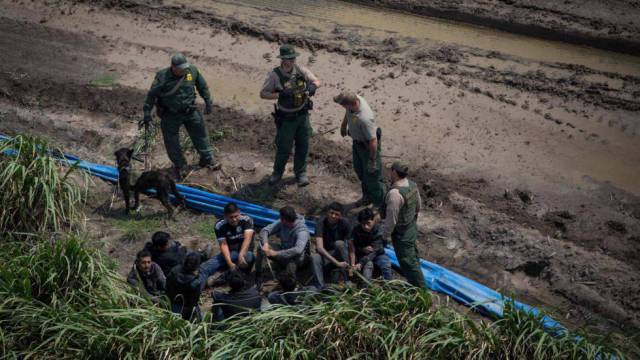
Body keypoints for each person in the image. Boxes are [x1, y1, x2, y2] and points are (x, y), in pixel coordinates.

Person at [142, 53, 218, 179]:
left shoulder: (192, 71)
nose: (184, 70)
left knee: (201, 134)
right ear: (173, 67)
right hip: (170, 115)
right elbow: (151, 96)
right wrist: (147, 114)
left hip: (190, 111)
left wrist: (208, 102)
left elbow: (202, 87)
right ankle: (181, 165)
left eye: (185, 67)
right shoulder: (162, 77)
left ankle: (207, 158)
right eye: (180, 68)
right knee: (172, 142)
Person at [260, 44, 321, 187]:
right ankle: (277, 173)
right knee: (284, 148)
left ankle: (301, 173)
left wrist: (313, 86)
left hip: (302, 116)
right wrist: (280, 94)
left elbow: (317, 81)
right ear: (282, 59)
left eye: (293, 58)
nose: (291, 61)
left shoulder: (301, 70)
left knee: (303, 145)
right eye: (289, 58)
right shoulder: (275, 75)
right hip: (286, 119)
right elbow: (263, 93)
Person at [335, 92, 384, 208]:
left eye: (343, 105)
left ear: (348, 105)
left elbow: (373, 141)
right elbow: (347, 112)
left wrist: (372, 159)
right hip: (357, 144)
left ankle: (379, 204)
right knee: (361, 172)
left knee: (372, 177)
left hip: (368, 148)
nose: (343, 108)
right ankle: (367, 197)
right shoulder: (354, 100)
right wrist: (344, 125)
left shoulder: (365, 118)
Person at [381, 162, 426, 288]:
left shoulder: (395, 194)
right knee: (413, 257)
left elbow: (391, 221)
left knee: (408, 263)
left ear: (394, 172)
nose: (389, 173)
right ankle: (416, 282)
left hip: (402, 234)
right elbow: (418, 206)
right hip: (411, 227)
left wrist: (385, 237)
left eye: (391, 171)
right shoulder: (412, 185)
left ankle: (420, 290)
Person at [256, 206, 310, 287]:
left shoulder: (302, 231)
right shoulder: (282, 222)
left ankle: (289, 285)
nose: (280, 219)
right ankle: (258, 273)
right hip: (283, 250)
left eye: (280, 218)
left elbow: (298, 250)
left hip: (297, 258)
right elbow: (265, 230)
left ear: (284, 219)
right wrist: (266, 244)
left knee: (290, 270)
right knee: (261, 248)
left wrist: (276, 253)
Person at [205, 202, 255, 278]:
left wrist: (241, 254)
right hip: (231, 252)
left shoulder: (247, 220)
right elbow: (223, 245)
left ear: (239, 212)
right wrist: (229, 263)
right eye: (231, 217)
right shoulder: (219, 225)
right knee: (207, 267)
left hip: (245, 251)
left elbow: (247, 239)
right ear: (225, 216)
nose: (234, 219)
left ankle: (220, 278)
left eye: (236, 216)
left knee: (249, 257)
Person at [311, 202, 350, 287]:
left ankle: (347, 278)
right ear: (327, 212)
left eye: (336, 214)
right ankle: (320, 286)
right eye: (331, 213)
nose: (333, 216)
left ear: (340, 216)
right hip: (326, 255)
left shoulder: (345, 224)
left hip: (339, 255)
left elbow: (350, 244)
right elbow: (320, 248)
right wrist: (336, 263)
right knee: (315, 257)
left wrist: (351, 262)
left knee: (339, 243)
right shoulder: (321, 223)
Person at [349, 208, 392, 282]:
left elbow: (375, 251)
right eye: (363, 224)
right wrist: (362, 249)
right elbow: (353, 248)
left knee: (386, 265)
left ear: (373, 220)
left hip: (378, 255)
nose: (366, 226)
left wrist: (361, 263)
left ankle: (390, 286)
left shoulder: (379, 230)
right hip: (362, 255)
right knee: (368, 266)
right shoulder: (356, 230)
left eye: (368, 223)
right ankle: (366, 287)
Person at [165, 252, 205, 321]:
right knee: (201, 319)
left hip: (172, 305)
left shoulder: (173, 271)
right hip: (186, 309)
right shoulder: (195, 282)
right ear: (196, 267)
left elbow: (167, 288)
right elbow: (194, 302)